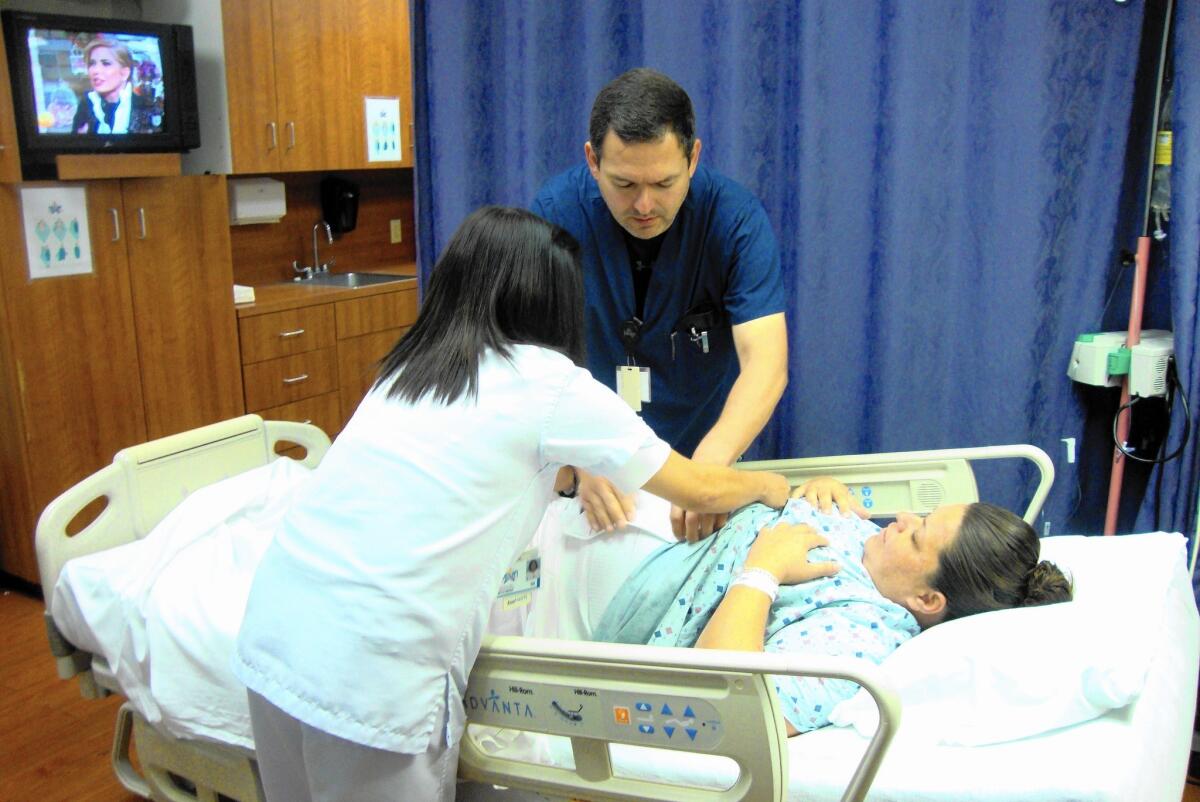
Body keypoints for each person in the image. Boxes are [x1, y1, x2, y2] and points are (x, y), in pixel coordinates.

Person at [231, 206, 792, 802]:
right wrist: (764, 486)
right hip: (372, 671)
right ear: (553, 302)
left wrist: (577, 475)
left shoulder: (409, 369)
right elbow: (698, 487)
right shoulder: (549, 380)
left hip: (273, 636)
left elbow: (471, 473)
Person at [594, 477, 1073, 735]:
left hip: (629, 595)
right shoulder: (876, 549)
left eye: (918, 532)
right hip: (670, 530)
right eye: (921, 515)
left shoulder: (860, 638)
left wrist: (763, 570)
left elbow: (734, 714)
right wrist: (817, 488)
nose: (904, 518)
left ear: (927, 599)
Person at [532, 68, 788, 542]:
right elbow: (529, 362)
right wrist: (580, 454)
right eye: (625, 184)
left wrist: (705, 475)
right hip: (592, 471)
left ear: (693, 158)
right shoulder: (554, 215)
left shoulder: (733, 220)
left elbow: (766, 363)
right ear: (592, 160)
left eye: (664, 183)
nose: (645, 205)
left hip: (696, 455)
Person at [72, 39, 156, 135]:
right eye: (92, 64)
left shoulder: (143, 106)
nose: (95, 70)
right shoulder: (86, 104)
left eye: (106, 63)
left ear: (124, 73)